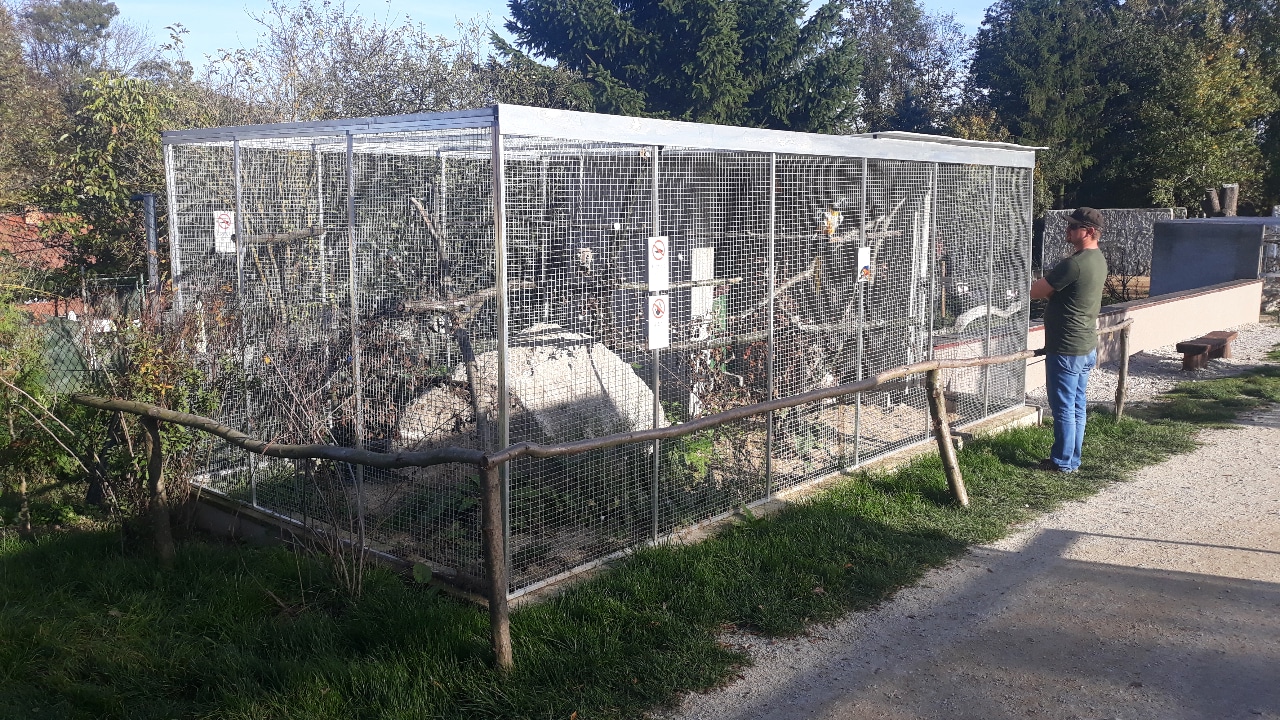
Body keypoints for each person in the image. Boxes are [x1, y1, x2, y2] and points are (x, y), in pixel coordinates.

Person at [1030, 207, 1108, 473]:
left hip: (1066, 346)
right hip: (1085, 344)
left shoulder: (1073, 264)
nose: (1068, 230)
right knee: (1077, 405)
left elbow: (1035, 290)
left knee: (1063, 407)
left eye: (1074, 227)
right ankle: (1072, 459)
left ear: (1089, 232)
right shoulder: (1098, 260)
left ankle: (1063, 462)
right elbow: (1068, 295)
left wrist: (1048, 293)